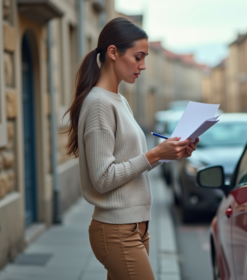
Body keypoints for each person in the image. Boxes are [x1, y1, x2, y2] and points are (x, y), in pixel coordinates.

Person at [64, 17, 198, 280]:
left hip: (135, 227)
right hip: (116, 230)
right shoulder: (100, 105)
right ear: (113, 52)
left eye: (145, 57)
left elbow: (131, 161)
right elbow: (103, 179)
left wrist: (167, 152)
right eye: (138, 57)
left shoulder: (118, 100)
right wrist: (155, 154)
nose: (143, 66)